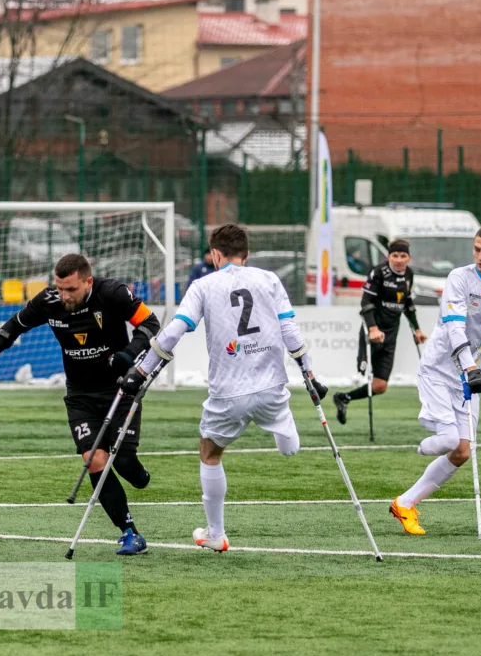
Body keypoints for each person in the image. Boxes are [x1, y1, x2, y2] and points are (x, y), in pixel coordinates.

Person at [121, 224, 327, 552]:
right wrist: (310, 375)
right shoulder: (269, 279)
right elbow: (289, 330)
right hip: (272, 387)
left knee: (210, 452)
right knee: (287, 443)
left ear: (215, 254)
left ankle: (215, 534)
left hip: (228, 394)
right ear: (247, 254)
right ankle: (284, 429)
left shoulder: (203, 285)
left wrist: (142, 370)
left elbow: (175, 331)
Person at [0, 253, 161, 555]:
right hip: (80, 396)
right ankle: (130, 534)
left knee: (125, 463)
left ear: (88, 282)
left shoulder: (112, 293)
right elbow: (13, 327)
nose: (64, 295)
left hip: (120, 389)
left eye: (71, 289)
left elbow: (150, 323)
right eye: (60, 288)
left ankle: (139, 476)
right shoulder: (48, 301)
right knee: (94, 459)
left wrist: (129, 353)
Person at [389, 224, 481, 535]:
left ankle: (404, 503)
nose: (480, 256)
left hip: (469, 381)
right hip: (439, 371)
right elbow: (455, 326)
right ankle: (420, 447)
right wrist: (471, 368)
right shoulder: (459, 278)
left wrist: (474, 373)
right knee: (450, 440)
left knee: (462, 452)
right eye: (477, 249)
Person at [333, 239, 427, 424]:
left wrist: (417, 329)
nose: (398, 260)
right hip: (373, 331)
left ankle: (344, 398)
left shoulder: (409, 274)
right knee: (364, 369)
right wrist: (373, 329)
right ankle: (361, 362)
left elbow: (407, 303)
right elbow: (365, 302)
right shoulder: (378, 272)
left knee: (380, 386)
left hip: (391, 334)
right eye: (395, 255)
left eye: (403, 256)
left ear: (409, 258)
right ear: (388, 257)